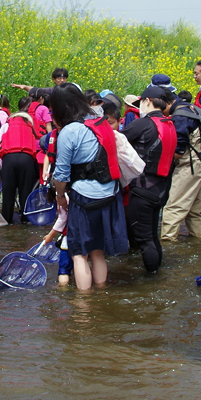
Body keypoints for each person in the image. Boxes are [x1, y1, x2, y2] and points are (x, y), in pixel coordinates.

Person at [50, 84, 128, 289]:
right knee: (98, 251)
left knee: (78, 254)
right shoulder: (100, 122)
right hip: (110, 193)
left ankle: (84, 307)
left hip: (84, 198)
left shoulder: (69, 131)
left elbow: (61, 174)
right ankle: (101, 296)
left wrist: (59, 196)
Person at [121, 86, 177, 272]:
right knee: (152, 235)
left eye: (141, 103)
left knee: (145, 239)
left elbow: (116, 142)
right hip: (161, 190)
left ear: (148, 101)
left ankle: (152, 278)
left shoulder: (142, 124)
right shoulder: (170, 124)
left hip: (142, 190)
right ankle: (157, 277)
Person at [161, 87, 201, 242]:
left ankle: (168, 245)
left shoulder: (179, 116)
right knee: (195, 211)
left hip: (191, 166)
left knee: (173, 208)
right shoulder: (192, 108)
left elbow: (179, 149)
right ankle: (196, 241)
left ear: (167, 103)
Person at [0, 96, 41, 225]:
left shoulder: (6, 126)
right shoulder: (30, 127)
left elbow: (1, 145)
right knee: (25, 191)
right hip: (26, 159)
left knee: (8, 192)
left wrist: (2, 170)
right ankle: (25, 219)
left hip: (8, 159)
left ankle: (7, 220)